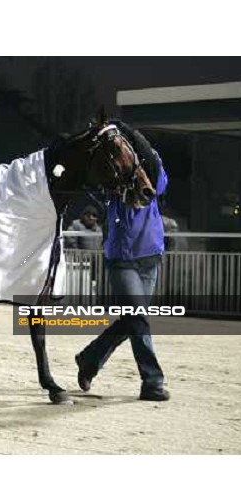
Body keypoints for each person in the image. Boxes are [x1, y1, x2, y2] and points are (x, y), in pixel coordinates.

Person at [75, 121, 171, 401]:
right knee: (138, 318)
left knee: (132, 320)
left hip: (150, 254)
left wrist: (133, 135)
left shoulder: (150, 168)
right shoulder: (109, 174)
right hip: (122, 259)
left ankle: (89, 359)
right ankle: (152, 382)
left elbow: (160, 183)